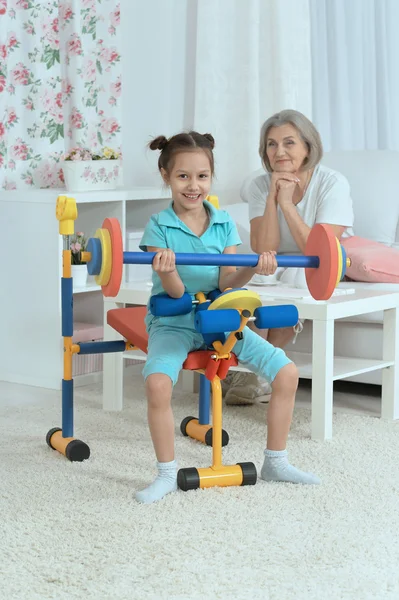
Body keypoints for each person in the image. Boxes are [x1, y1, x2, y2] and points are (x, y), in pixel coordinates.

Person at [135, 130, 320, 504]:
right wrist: (168, 269)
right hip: (174, 319)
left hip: (221, 320)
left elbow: (227, 282)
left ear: (210, 178)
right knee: (157, 385)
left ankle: (276, 462)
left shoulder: (222, 225)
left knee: (287, 373)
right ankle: (166, 474)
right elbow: (173, 292)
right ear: (166, 177)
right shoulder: (158, 225)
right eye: (183, 176)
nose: (193, 186)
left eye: (202, 176)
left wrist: (254, 267)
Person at [223, 109, 354, 406]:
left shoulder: (332, 183)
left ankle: (259, 371)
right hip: (279, 259)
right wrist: (272, 197)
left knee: (299, 277)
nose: (279, 151)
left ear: (309, 146)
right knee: (253, 275)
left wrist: (286, 203)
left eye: (289, 142)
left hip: (325, 261)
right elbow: (263, 246)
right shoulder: (259, 184)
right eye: (271, 144)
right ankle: (249, 364)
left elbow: (321, 250)